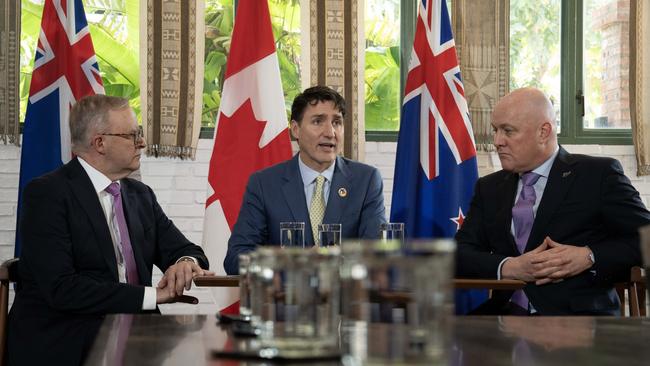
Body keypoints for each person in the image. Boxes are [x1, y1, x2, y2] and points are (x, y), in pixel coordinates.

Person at [8, 95, 213, 366]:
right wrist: (152, 295)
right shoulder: (48, 194)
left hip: (135, 335)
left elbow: (184, 249)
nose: (141, 142)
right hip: (67, 338)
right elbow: (62, 289)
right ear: (100, 143)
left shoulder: (140, 195)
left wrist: (185, 263)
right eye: (132, 135)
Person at [455, 87, 650, 315]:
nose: (497, 141)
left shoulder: (597, 175)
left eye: (508, 131)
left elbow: (646, 237)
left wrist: (589, 256)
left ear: (543, 132)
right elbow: (458, 254)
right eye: (495, 130)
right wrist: (510, 267)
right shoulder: (489, 188)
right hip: (504, 317)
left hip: (578, 322)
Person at [224, 86, 386, 274]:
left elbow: (377, 256)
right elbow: (236, 258)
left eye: (337, 122)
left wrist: (332, 262)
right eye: (318, 121)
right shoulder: (264, 184)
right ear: (295, 129)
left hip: (343, 301)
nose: (330, 132)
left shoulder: (365, 181)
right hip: (285, 300)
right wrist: (294, 263)